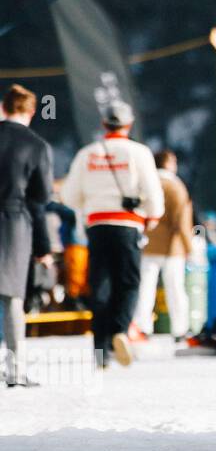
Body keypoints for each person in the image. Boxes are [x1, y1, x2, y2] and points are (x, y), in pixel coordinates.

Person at [62, 100, 165, 369]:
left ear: (103, 124)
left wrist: (88, 207)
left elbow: (69, 195)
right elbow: (153, 192)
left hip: (96, 225)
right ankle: (120, 330)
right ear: (128, 124)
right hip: (128, 225)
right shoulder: (139, 153)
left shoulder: (87, 154)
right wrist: (152, 214)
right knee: (128, 282)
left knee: (100, 286)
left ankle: (100, 350)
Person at [0, 85, 53, 386]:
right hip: (14, 223)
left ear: (4, 107)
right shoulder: (36, 145)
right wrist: (43, 246)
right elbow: (39, 199)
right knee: (12, 300)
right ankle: (14, 371)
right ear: (31, 112)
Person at [132, 150, 194, 340]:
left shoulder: (145, 184)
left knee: (145, 288)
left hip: (148, 244)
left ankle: (143, 326)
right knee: (175, 289)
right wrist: (189, 247)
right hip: (172, 247)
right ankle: (180, 329)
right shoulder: (176, 187)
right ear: (168, 163)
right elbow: (182, 222)